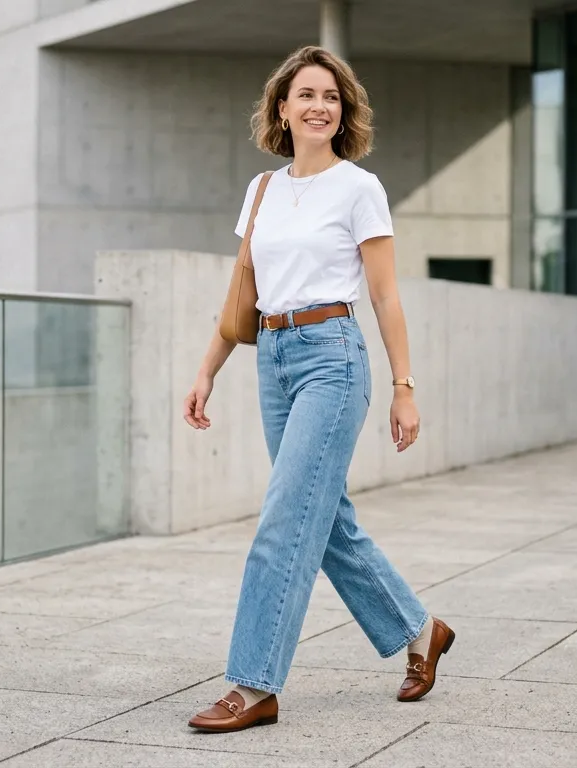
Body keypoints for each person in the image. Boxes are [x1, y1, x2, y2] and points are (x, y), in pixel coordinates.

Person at [182, 46, 453, 734]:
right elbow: (242, 288)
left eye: (331, 97)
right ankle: (421, 632)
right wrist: (208, 367)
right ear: (282, 107)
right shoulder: (262, 190)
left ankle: (252, 683)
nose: (319, 106)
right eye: (305, 94)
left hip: (333, 358)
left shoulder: (360, 188)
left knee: (283, 519)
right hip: (271, 356)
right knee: (324, 520)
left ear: (344, 111)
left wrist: (404, 386)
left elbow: (386, 296)